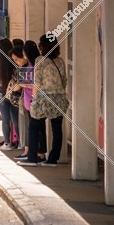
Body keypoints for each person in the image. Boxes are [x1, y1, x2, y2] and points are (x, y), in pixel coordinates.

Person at [28, 35, 67, 165]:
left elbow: (37, 82)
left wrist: (34, 99)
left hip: (43, 99)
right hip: (59, 98)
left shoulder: (40, 60)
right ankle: (53, 159)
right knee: (57, 130)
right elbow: (64, 80)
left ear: (43, 45)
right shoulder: (60, 61)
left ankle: (32, 157)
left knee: (34, 127)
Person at [16, 40, 45, 165]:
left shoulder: (35, 66)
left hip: (34, 101)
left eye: (24, 51)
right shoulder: (30, 64)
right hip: (29, 101)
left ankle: (35, 154)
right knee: (36, 128)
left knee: (35, 129)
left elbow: (34, 84)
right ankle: (37, 153)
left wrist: (23, 84)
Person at [0, 38, 18, 151]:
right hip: (14, 91)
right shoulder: (14, 62)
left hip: (1, 91)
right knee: (15, 118)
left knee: (5, 119)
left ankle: (7, 142)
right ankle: (19, 142)